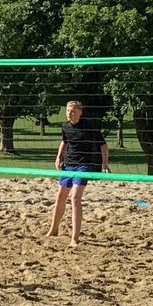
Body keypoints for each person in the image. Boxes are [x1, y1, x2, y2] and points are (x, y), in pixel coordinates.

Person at [48, 99, 109, 248]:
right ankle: (53, 229)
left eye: (73, 111)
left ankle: (74, 238)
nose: (70, 113)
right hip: (68, 165)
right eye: (68, 111)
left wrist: (105, 165)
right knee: (60, 197)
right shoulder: (65, 126)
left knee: (75, 197)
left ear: (80, 112)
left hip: (83, 166)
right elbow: (64, 142)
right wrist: (58, 157)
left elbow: (103, 145)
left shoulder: (89, 126)